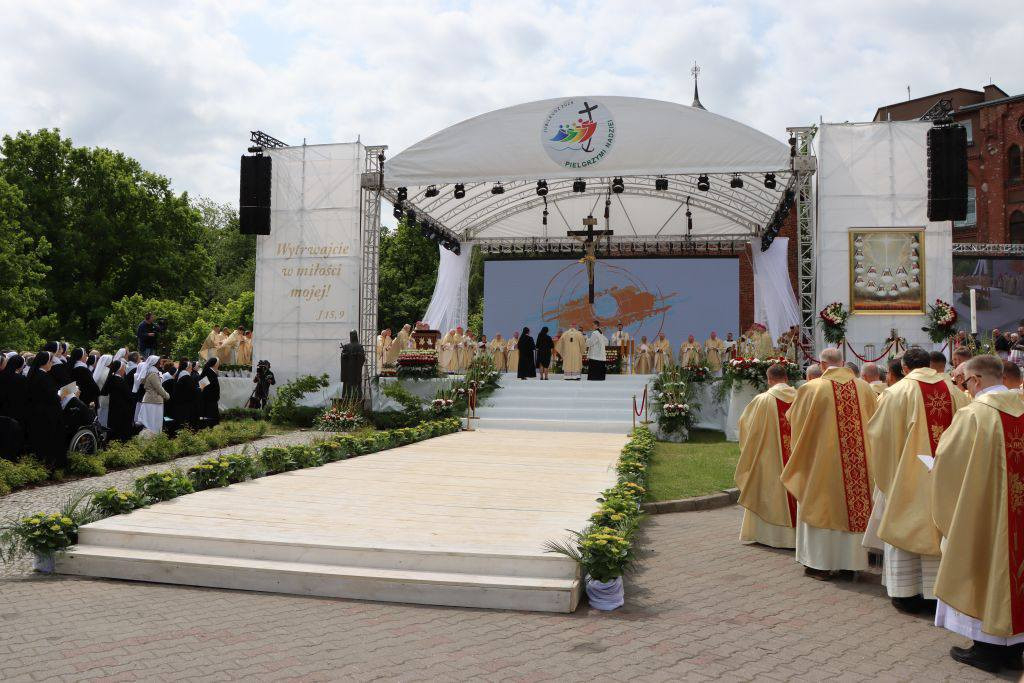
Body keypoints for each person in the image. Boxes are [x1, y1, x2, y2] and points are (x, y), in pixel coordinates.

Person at [932, 354, 1024, 672]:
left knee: (986, 568)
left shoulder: (974, 414)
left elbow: (948, 462)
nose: (966, 388)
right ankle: (1014, 649)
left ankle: (987, 650)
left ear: (978, 380)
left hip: (986, 513)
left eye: (966, 381)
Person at [865, 348, 968, 614]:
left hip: (907, 479)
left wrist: (890, 476)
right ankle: (938, 593)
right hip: (946, 477)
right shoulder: (954, 391)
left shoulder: (896, 393)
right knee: (941, 527)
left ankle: (906, 593)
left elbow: (880, 437)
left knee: (905, 526)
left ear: (904, 368)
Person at [781, 348, 878, 580]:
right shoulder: (864, 388)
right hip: (858, 465)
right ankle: (850, 565)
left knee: (822, 506)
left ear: (822, 365)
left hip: (821, 463)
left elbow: (794, 420)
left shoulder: (811, 388)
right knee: (853, 507)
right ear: (842, 363)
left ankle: (820, 565)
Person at [735, 363, 797, 549]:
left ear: (769, 380)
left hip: (770, 457)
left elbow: (746, 426)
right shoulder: (800, 397)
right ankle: (797, 538)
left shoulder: (762, 400)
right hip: (796, 458)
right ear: (786, 378)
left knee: (769, 490)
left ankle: (771, 537)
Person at [25, 351, 66, 471]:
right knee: (49, 440)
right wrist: (64, 394)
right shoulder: (43, 376)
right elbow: (52, 396)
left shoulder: (34, 374)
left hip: (36, 412)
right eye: (50, 362)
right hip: (48, 413)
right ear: (45, 363)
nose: (52, 364)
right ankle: (50, 466)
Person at [102, 361, 134, 441]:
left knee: (113, 424)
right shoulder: (119, 380)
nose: (124, 369)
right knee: (120, 427)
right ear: (120, 369)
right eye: (123, 367)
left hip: (113, 405)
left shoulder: (111, 378)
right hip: (122, 407)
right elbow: (128, 395)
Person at [136, 355, 168, 433]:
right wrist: (167, 396)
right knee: (154, 423)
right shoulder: (153, 374)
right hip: (154, 401)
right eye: (159, 362)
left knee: (150, 422)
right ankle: (153, 438)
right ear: (155, 363)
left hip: (150, 400)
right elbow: (158, 388)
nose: (160, 363)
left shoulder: (150, 372)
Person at [173, 361, 200, 430]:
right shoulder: (186, 377)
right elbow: (192, 391)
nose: (191, 369)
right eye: (190, 367)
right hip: (186, 405)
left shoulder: (180, 375)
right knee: (186, 423)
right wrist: (200, 389)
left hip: (180, 403)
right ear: (187, 368)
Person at [339, 331, 364, 401]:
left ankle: (357, 397)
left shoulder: (359, 346)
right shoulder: (346, 346)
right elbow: (343, 356)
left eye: (353, 335)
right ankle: (346, 397)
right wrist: (344, 355)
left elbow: (362, 357)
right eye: (351, 335)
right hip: (348, 369)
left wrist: (357, 355)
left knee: (356, 383)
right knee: (347, 383)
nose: (352, 336)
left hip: (356, 369)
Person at [199, 357, 221, 426]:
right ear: (215, 364)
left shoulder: (210, 371)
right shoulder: (209, 372)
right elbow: (202, 386)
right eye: (218, 362)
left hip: (211, 399)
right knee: (210, 417)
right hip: (210, 399)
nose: (219, 364)